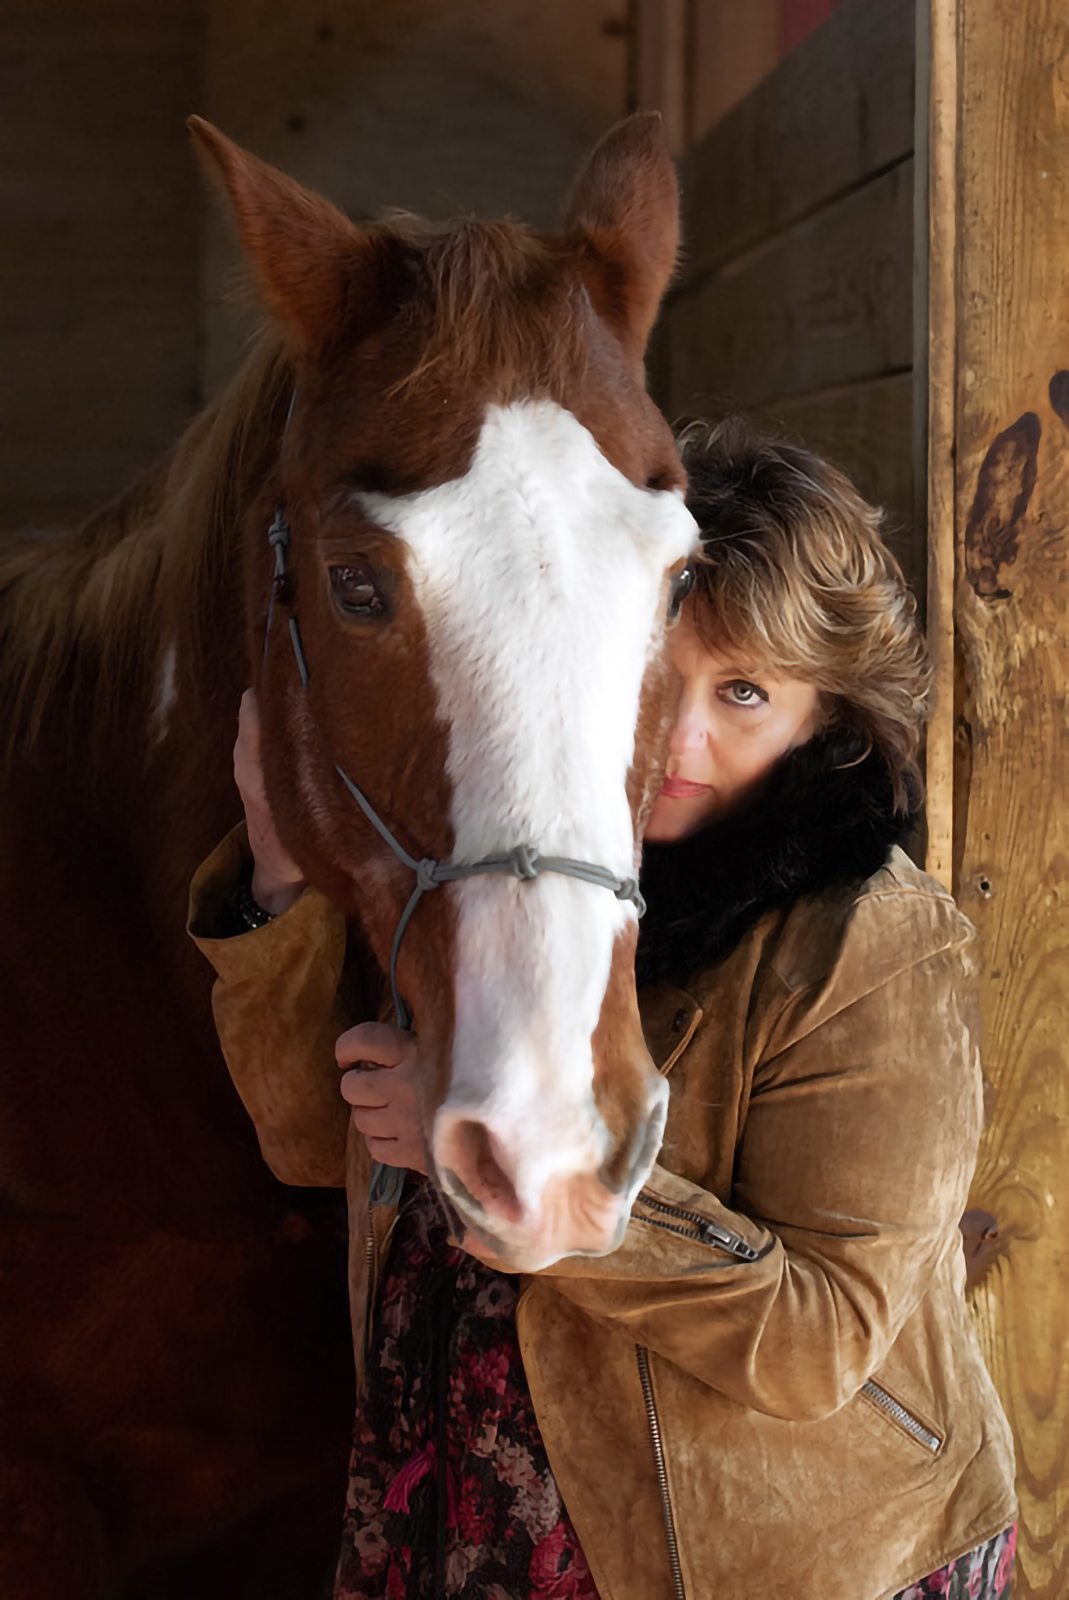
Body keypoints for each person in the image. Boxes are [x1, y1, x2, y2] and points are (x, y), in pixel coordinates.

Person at [189, 417, 1017, 1600]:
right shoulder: (501, 868)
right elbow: (318, 1137)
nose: (676, 735)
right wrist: (278, 870)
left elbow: (818, 1340)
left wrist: (541, 1169)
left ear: (826, 715)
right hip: (465, 1497)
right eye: (647, 666)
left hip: (773, 1550)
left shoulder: (868, 943)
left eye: (743, 692)